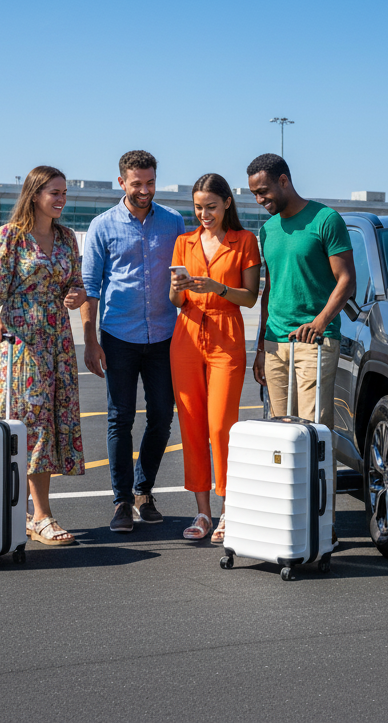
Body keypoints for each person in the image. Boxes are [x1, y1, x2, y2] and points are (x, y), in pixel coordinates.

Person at [0, 166, 88, 545]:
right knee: (31, 424)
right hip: (22, 343)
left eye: (65, 193)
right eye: (55, 192)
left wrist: (76, 296)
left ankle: (23, 514)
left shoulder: (67, 237)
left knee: (49, 423)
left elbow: (76, 284)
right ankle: (40, 516)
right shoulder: (11, 236)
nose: (61, 199)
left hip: (58, 343)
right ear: (35, 194)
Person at [247, 153, 356, 546]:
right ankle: (289, 522)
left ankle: (322, 526)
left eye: (263, 191)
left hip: (315, 341)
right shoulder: (268, 229)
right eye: (254, 194)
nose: (259, 199)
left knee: (313, 434)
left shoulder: (326, 220)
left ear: (284, 181)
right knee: (282, 437)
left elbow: (347, 281)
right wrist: (260, 347)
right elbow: (269, 290)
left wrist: (320, 321)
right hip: (275, 343)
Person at [81, 150, 185, 533]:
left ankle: (144, 491)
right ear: (121, 182)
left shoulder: (174, 222)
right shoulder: (102, 226)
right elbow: (90, 287)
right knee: (120, 419)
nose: (145, 190)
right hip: (118, 336)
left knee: (161, 416)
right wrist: (90, 341)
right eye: (137, 183)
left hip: (164, 336)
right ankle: (122, 501)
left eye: (151, 182)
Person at [169, 174, 261, 542]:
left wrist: (218, 287)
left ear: (226, 203)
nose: (204, 214)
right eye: (198, 208)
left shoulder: (245, 241)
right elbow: (175, 301)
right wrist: (177, 288)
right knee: (191, 425)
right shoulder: (184, 242)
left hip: (226, 335)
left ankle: (228, 509)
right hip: (187, 334)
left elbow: (250, 297)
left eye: (210, 207)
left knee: (222, 426)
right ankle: (203, 512)